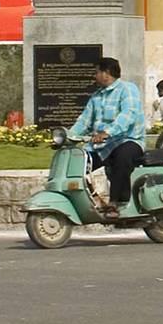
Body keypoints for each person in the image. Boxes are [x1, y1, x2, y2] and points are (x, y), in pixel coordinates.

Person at [67, 57, 144, 212]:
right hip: (101, 145)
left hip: (127, 140)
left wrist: (107, 132)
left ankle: (115, 202)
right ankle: (94, 201)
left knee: (122, 157)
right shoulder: (96, 96)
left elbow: (128, 114)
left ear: (106, 73)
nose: (94, 76)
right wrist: (68, 136)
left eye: (96, 72)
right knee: (81, 162)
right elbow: (84, 121)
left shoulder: (127, 89)